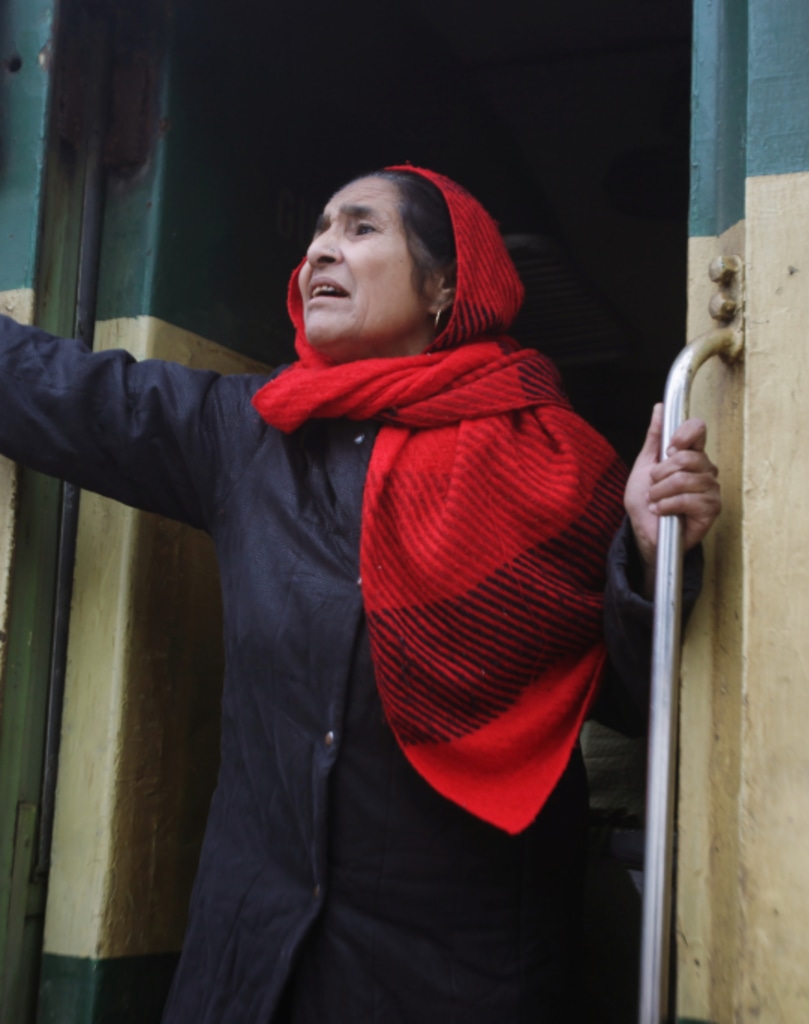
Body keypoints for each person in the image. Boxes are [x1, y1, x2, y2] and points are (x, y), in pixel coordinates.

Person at [0, 165, 720, 1023]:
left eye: (359, 228)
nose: (319, 251)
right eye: (316, 232)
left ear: (447, 284)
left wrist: (647, 553)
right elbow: (71, 395)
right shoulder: (250, 434)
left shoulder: (560, 472)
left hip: (458, 971)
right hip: (255, 965)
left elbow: (641, 704)